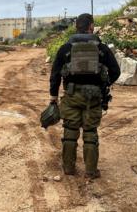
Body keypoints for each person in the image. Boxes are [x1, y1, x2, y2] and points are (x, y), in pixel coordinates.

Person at [49, 13, 120, 179]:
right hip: (93, 98)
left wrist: (53, 97)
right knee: (90, 133)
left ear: (76, 27)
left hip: (72, 96)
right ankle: (91, 171)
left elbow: (55, 75)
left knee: (70, 132)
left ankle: (68, 168)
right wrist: (105, 83)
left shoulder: (65, 49)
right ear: (91, 27)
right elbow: (116, 71)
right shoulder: (102, 49)